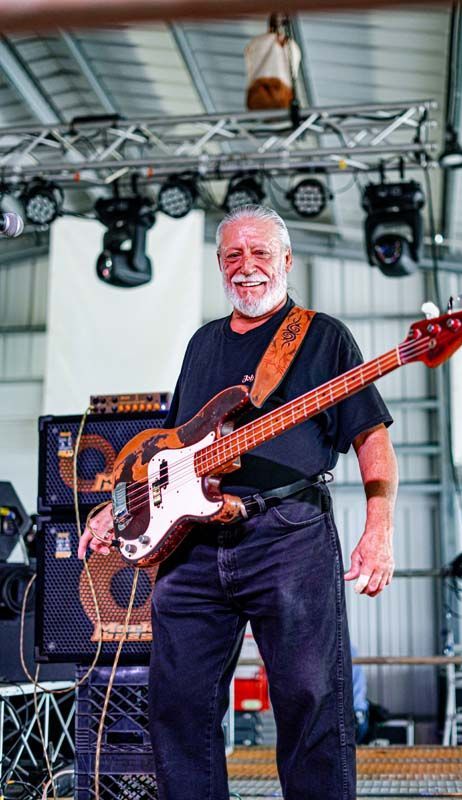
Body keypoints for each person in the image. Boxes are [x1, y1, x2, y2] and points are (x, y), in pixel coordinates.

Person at [78, 205, 398, 800]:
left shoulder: (323, 336)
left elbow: (370, 436)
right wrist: (114, 507)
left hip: (287, 533)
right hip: (193, 547)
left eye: (259, 254)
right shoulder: (203, 342)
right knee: (176, 706)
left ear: (286, 262)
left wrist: (379, 527)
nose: (246, 267)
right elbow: (170, 450)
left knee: (310, 703)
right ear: (221, 266)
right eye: (232, 256)